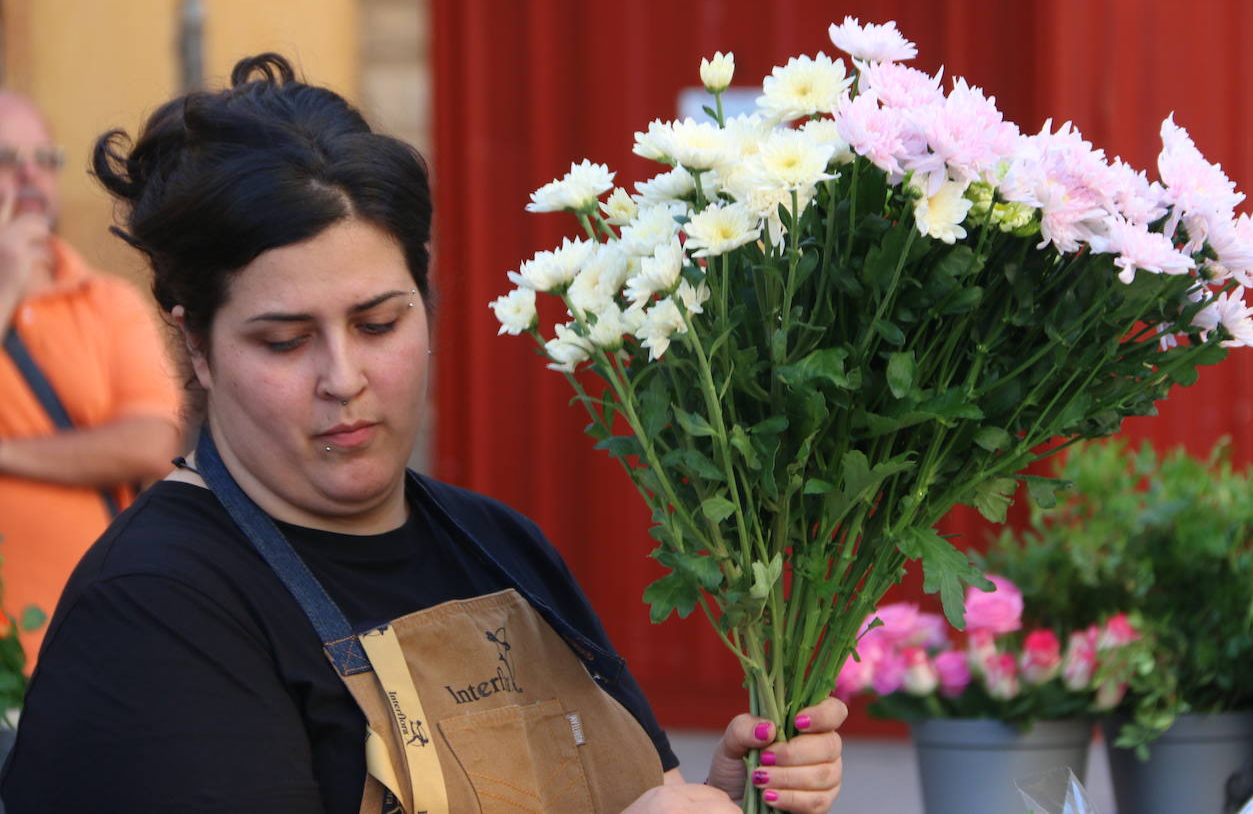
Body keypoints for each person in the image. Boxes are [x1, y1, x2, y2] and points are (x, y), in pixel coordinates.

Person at [0, 56, 846, 812]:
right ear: (198, 347)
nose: (344, 377)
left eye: (378, 323)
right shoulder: (158, 608)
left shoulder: (501, 548)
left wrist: (720, 800)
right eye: (285, 341)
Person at [0, 91, 182, 668]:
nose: (30, 175)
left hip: (89, 645)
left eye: (45, 159)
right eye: (7, 158)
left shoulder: (107, 300)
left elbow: (151, 443)